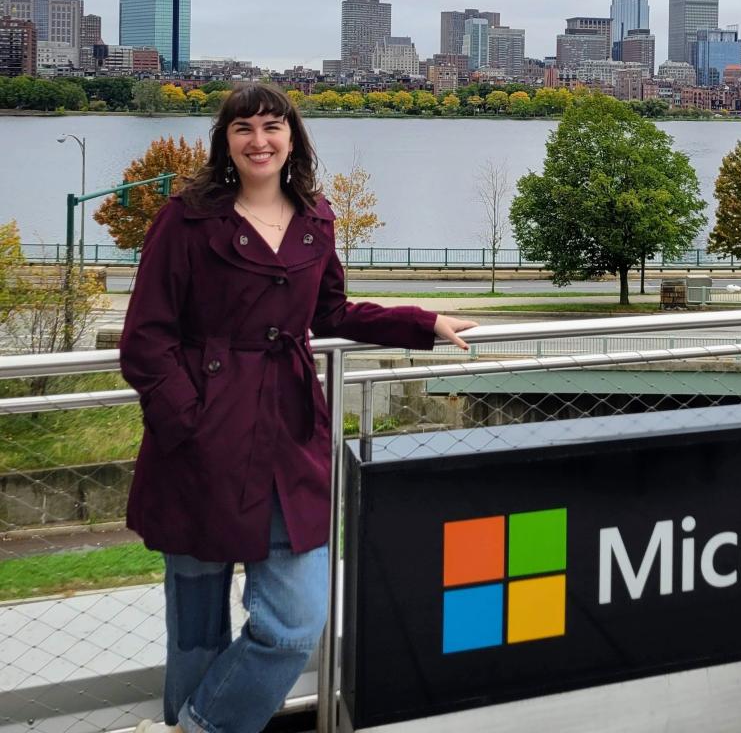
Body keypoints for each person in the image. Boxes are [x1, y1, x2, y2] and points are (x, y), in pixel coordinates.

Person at [121, 82, 476, 733]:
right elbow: (146, 338)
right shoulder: (187, 218)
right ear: (225, 142)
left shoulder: (315, 217)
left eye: (272, 126)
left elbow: (333, 312)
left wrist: (422, 322)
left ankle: (197, 728)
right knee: (196, 632)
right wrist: (187, 423)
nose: (259, 140)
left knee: (294, 624)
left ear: (292, 137)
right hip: (200, 444)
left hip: (287, 435)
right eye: (243, 128)